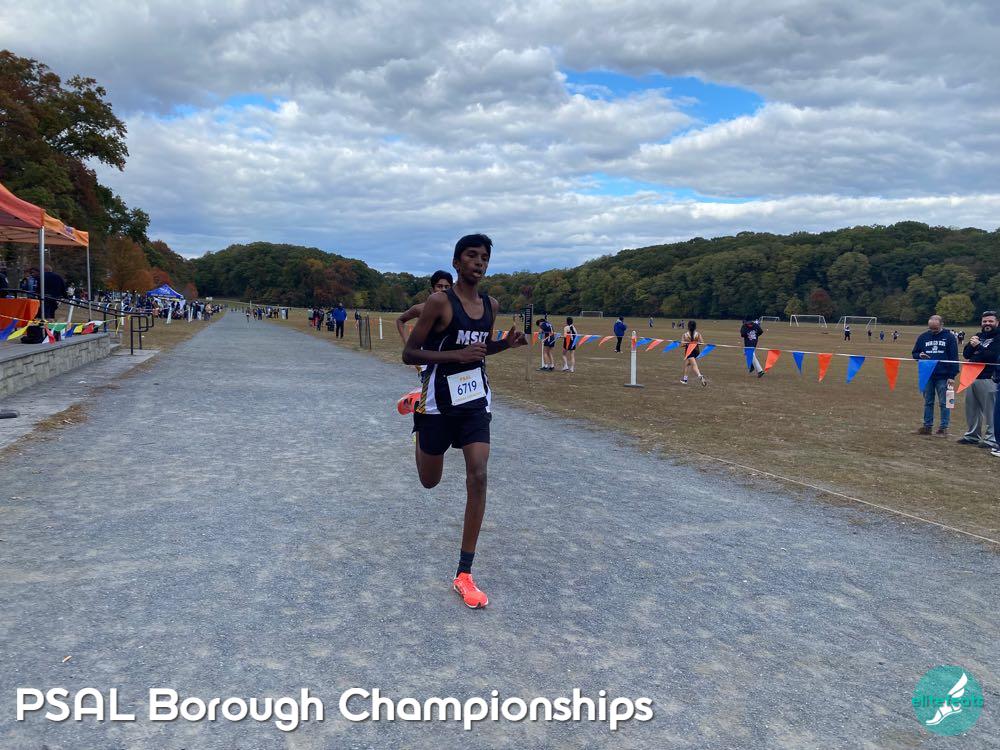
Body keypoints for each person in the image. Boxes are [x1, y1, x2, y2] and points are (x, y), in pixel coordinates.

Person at [402, 234, 527, 609]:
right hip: (438, 402)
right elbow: (410, 353)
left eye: (484, 257)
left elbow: (479, 351)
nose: (479, 262)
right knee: (430, 481)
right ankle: (417, 417)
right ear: (457, 262)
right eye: (472, 256)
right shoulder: (440, 302)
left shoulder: (491, 305)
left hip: (474, 400)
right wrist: (456, 356)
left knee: (478, 474)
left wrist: (505, 345)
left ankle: (464, 573)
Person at [911, 315, 958, 436]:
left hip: (944, 376)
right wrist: (919, 355)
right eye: (931, 328)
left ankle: (943, 428)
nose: (933, 331)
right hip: (927, 375)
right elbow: (914, 353)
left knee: (944, 402)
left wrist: (952, 376)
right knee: (928, 402)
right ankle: (927, 427)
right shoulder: (923, 337)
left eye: (935, 329)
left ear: (942, 325)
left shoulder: (949, 337)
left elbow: (954, 358)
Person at [958, 311, 999, 449]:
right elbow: (966, 354)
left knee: (991, 410)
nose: (987, 324)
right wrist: (972, 345)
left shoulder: (998, 338)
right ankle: (972, 435)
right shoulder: (978, 336)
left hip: (989, 378)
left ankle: (992, 438)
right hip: (971, 376)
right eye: (985, 321)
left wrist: (978, 347)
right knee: (972, 409)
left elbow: (993, 356)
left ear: (997, 322)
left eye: (990, 321)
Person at [396, 271, 453, 344]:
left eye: (447, 287)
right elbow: (400, 320)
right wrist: (406, 342)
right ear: (432, 290)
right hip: (426, 350)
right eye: (439, 286)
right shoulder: (421, 308)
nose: (443, 290)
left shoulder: (457, 309)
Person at [680, 320, 707, 386]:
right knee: (687, 364)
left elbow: (682, 345)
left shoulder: (685, 335)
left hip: (689, 352)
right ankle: (685, 380)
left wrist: (687, 344)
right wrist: (695, 343)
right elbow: (702, 342)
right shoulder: (698, 334)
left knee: (694, 365)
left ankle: (700, 376)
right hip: (696, 351)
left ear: (688, 326)